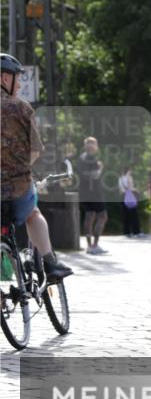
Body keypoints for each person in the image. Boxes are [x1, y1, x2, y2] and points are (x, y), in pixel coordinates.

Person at [0, 53, 73, 281]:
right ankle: (51, 264)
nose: (20, 83)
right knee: (33, 213)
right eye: (17, 78)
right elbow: (35, 149)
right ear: (4, 78)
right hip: (18, 188)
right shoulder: (21, 108)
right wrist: (21, 168)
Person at [77, 136, 110, 254]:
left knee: (89, 217)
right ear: (94, 146)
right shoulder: (91, 158)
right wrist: (100, 168)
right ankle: (95, 245)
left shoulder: (81, 158)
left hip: (84, 191)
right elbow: (95, 175)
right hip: (94, 192)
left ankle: (90, 246)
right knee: (102, 216)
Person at [118, 167, 143, 237]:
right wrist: (136, 190)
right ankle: (136, 232)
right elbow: (130, 188)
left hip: (123, 197)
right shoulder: (129, 177)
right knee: (134, 215)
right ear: (128, 171)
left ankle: (126, 232)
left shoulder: (120, 178)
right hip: (130, 197)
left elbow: (120, 190)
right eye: (130, 170)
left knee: (126, 215)